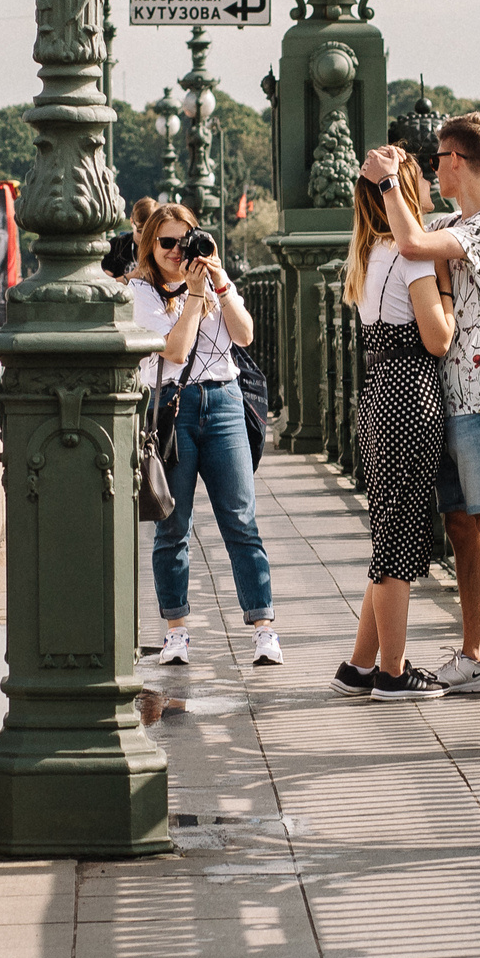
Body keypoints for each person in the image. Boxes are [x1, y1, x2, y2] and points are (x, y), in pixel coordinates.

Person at [354, 113, 480, 698]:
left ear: (458, 162)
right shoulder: (454, 221)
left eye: (437, 158)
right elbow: (402, 234)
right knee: (462, 525)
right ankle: (474, 651)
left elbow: (412, 242)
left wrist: (392, 183)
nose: (432, 165)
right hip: (443, 398)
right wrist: (384, 185)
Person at [130, 202, 279, 666]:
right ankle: (177, 632)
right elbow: (173, 351)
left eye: (185, 240)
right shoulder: (141, 292)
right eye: (166, 243)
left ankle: (263, 628)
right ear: (150, 246)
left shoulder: (212, 281)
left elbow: (246, 334)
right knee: (172, 525)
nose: (177, 251)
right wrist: (193, 296)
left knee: (241, 518)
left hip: (224, 401)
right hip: (173, 407)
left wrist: (219, 279)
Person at [330, 155, 455, 700]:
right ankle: (393, 672)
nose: (429, 180)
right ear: (403, 190)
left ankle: (359, 666)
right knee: (400, 538)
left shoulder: (369, 254)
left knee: (390, 533)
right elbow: (438, 339)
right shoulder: (412, 258)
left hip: (379, 391)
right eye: (421, 175)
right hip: (412, 392)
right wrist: (446, 291)